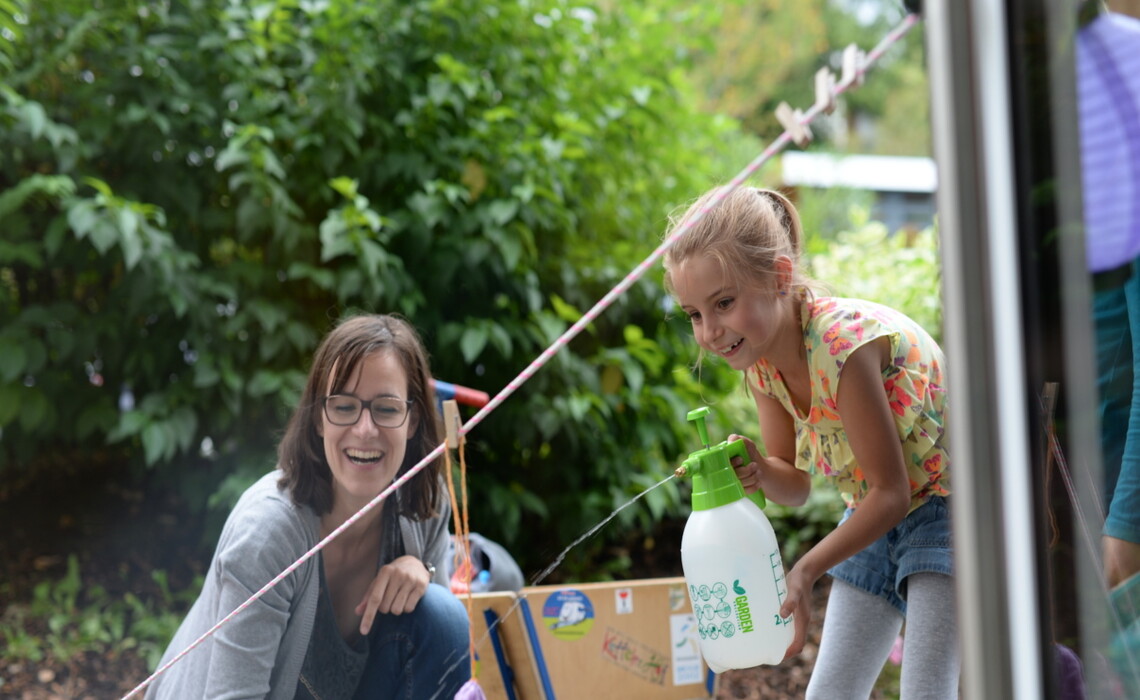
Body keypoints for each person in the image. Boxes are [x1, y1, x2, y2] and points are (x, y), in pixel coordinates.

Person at [662, 186, 958, 699]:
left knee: (926, 691)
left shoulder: (841, 350)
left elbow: (893, 493)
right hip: (872, 510)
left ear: (778, 276)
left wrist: (806, 569)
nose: (709, 332)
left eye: (723, 303)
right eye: (694, 314)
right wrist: (757, 466)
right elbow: (793, 484)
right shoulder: (762, 367)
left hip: (949, 504)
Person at [146, 314, 470, 700]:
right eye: (344, 406)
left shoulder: (426, 506)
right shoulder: (267, 533)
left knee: (444, 616)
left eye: (385, 408)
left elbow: (432, 670)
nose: (365, 429)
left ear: (413, 420)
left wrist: (423, 569)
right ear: (318, 419)